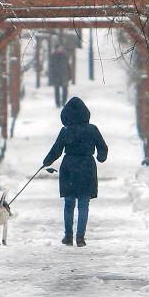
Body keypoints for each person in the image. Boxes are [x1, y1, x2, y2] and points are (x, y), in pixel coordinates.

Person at [42, 97, 108, 247]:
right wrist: (101, 157)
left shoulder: (66, 131)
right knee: (84, 204)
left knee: (69, 203)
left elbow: (56, 150)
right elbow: (103, 147)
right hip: (87, 167)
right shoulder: (92, 129)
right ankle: (80, 237)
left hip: (69, 167)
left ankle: (68, 236)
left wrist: (46, 162)